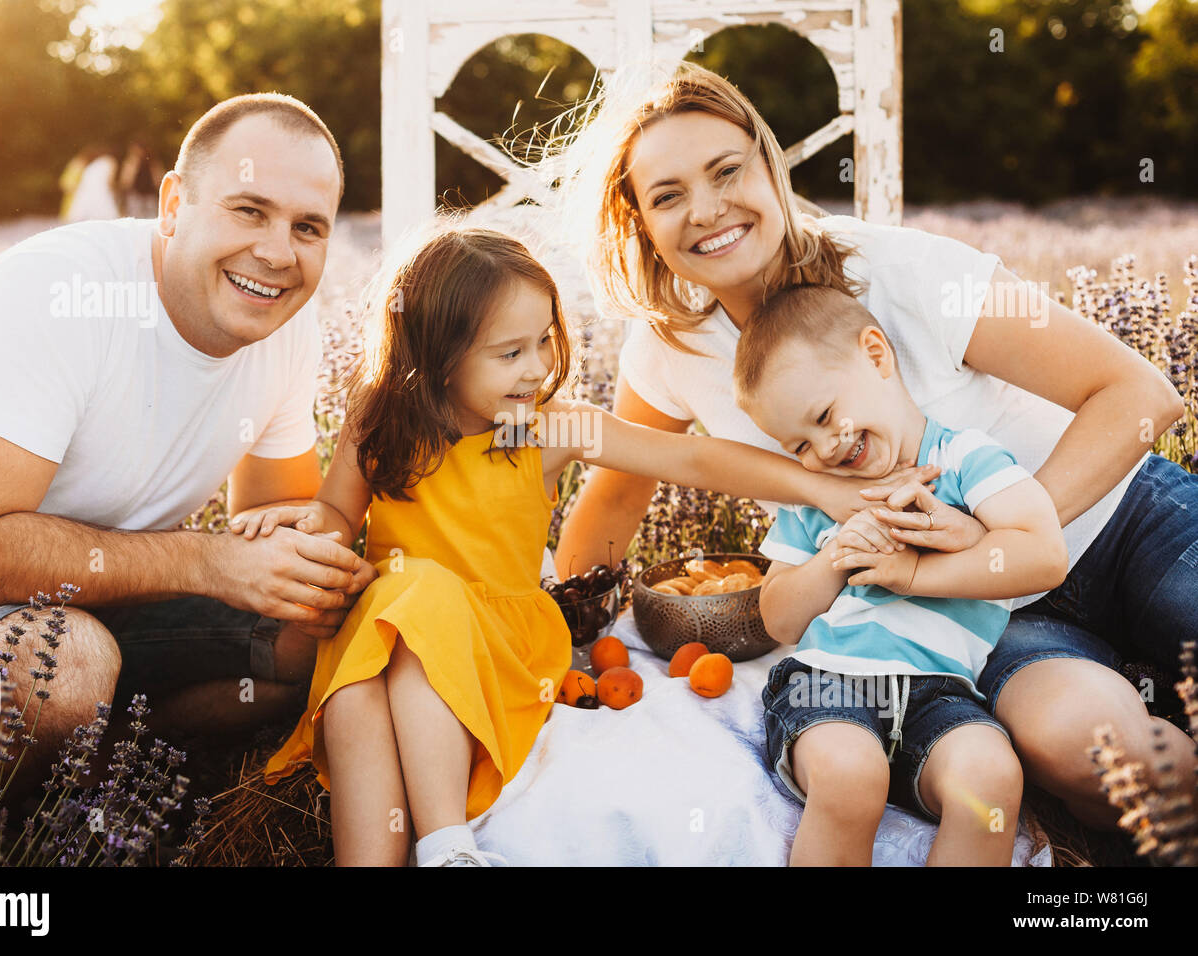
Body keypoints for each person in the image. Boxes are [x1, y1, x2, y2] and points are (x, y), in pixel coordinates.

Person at [551, 61, 1196, 829]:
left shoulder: (900, 270)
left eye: (727, 170)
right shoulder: (672, 350)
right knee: (1106, 758)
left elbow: (1138, 395)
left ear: (770, 162)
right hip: (978, 620)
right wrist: (571, 638)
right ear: (641, 224)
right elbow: (621, 490)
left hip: (1123, 520)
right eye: (667, 196)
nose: (707, 209)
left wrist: (1001, 537)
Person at [245, 226, 865, 866]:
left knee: (415, 596)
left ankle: (444, 846)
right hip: (387, 630)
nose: (539, 367)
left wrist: (817, 486)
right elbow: (336, 514)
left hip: (496, 647)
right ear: (436, 356)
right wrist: (305, 527)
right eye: (510, 352)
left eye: (544, 341)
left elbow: (689, 456)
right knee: (355, 691)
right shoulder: (378, 416)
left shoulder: (544, 429)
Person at [0, 93, 370, 795]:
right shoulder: (60, 294)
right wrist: (205, 562)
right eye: (248, 210)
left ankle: (108, 752)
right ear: (174, 203)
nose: (277, 253)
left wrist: (330, 542)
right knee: (62, 663)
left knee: (320, 631)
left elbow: (273, 527)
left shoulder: (285, 330)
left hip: (106, 603)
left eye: (308, 227)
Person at [738, 284, 1065, 865]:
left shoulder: (967, 459)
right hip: (828, 678)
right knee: (849, 775)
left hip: (941, 689)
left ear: (877, 354)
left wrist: (915, 569)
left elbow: (1042, 555)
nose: (825, 448)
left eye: (824, 416)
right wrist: (833, 557)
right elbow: (778, 616)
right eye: (800, 445)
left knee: (989, 780)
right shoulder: (823, 500)